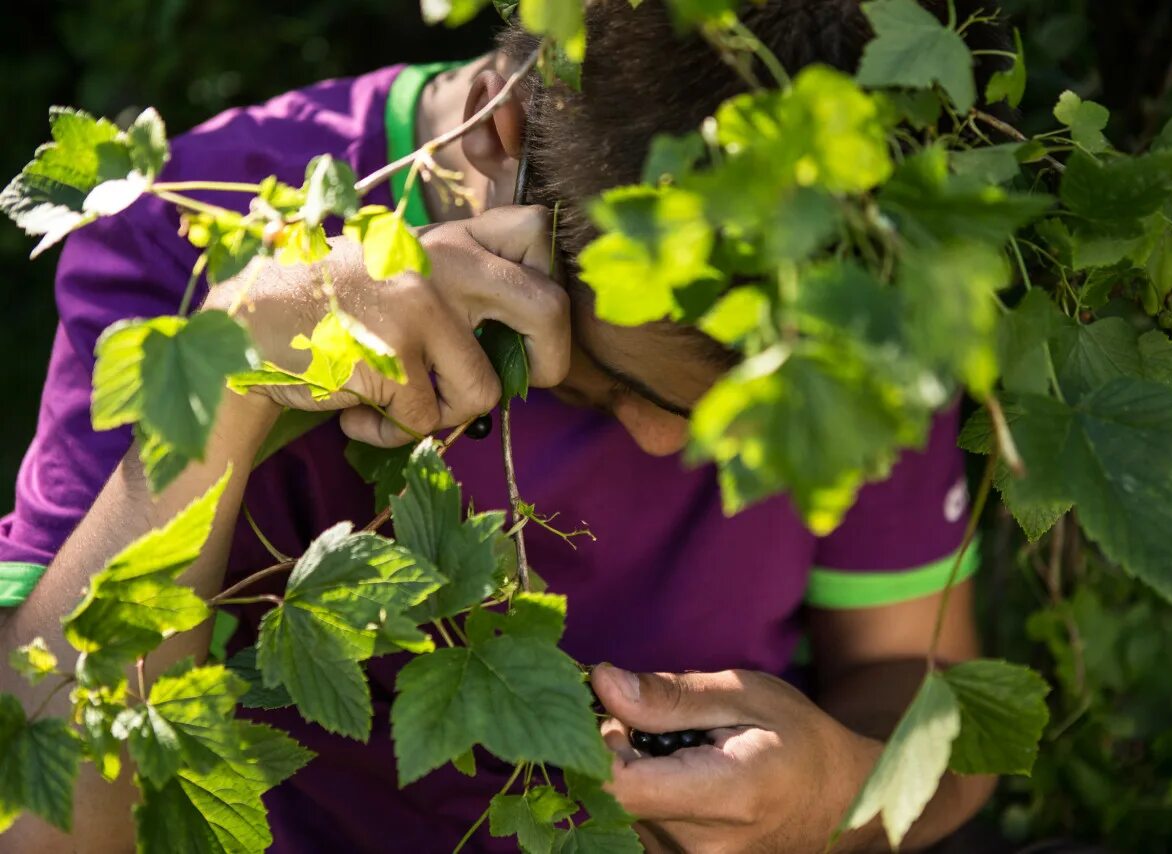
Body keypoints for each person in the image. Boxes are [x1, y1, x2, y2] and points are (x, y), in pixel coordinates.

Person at [0, 1, 1004, 851]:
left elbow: (916, 681)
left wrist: (836, 795)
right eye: (613, 382)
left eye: (761, 427)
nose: (663, 447)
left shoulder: (873, 288)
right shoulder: (182, 229)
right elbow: (37, 823)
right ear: (497, 131)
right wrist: (232, 377)